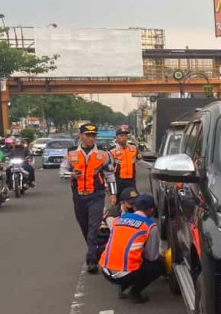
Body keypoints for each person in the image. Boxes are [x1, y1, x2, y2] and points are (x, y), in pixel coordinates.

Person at [60, 123, 118, 274]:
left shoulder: (104, 154)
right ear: (80, 136)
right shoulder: (71, 153)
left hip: (96, 196)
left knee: (94, 228)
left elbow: (110, 175)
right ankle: (95, 249)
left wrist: (113, 194)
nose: (91, 138)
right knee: (85, 227)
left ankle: (91, 260)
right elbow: (62, 171)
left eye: (93, 135)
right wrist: (71, 174)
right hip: (78, 196)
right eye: (88, 135)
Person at [99, 194, 163, 303]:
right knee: (157, 266)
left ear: (134, 207)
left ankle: (123, 287)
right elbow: (152, 256)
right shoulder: (150, 226)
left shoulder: (118, 219)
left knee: (127, 253)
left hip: (105, 270)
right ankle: (134, 292)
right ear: (151, 210)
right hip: (124, 274)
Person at [109, 127, 141, 203]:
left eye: (125, 136)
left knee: (134, 201)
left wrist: (152, 167)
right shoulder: (111, 150)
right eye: (121, 135)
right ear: (117, 137)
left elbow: (140, 161)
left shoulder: (134, 148)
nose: (124, 138)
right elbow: (108, 170)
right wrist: (107, 185)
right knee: (116, 203)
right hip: (118, 181)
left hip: (131, 181)